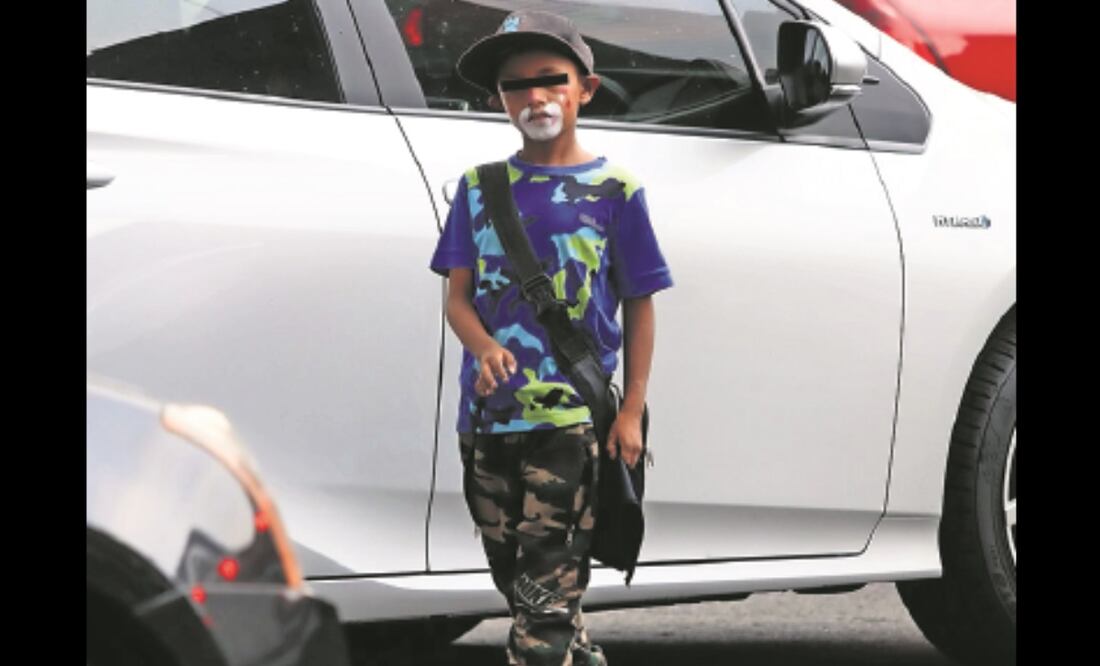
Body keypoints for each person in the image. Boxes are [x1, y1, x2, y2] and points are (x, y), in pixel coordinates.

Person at [429, 10, 673, 666]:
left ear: (585, 88)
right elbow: (457, 297)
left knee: (542, 603)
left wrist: (630, 412)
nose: (533, 96)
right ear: (497, 100)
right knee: (523, 587)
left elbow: (639, 303)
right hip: (484, 421)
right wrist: (484, 348)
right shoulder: (480, 190)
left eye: (550, 79)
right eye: (514, 86)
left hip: (569, 424)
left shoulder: (615, 190)